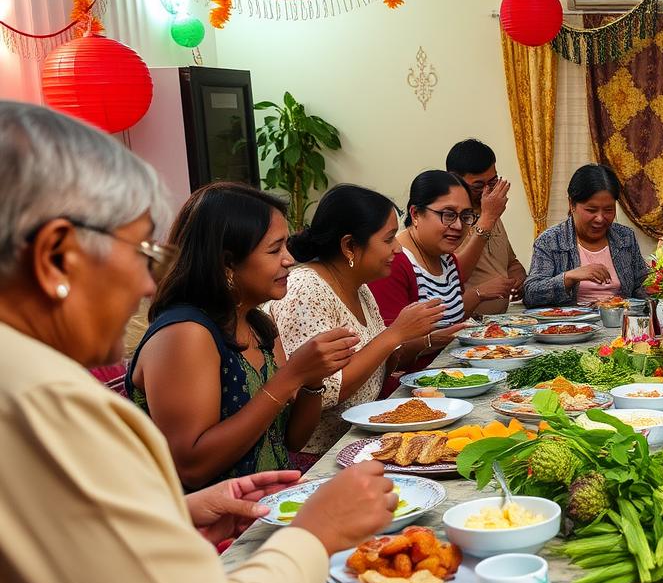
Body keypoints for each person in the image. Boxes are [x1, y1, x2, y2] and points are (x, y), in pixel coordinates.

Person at [0, 100, 397, 583]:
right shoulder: (42, 400)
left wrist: (176, 511)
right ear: (56, 256)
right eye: (138, 253)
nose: (144, 285)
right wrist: (316, 532)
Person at [129, 183, 360, 490]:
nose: (289, 259)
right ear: (227, 263)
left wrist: (313, 380)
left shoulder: (258, 323)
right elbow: (191, 467)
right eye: (274, 249)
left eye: (286, 246)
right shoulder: (185, 334)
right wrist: (292, 375)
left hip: (272, 506)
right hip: (216, 529)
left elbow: (292, 439)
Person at [272, 185, 446, 458]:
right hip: (321, 456)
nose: (398, 249)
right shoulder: (305, 288)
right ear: (349, 245)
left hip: (362, 441)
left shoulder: (359, 287)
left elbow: (377, 365)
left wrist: (414, 337)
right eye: (389, 239)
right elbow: (324, 392)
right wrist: (395, 334)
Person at [370, 170, 506, 353]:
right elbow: (387, 351)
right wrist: (430, 341)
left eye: (466, 216)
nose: (458, 226)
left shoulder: (447, 259)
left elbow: (452, 319)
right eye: (448, 215)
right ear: (416, 214)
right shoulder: (394, 262)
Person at [522, 164, 649, 307]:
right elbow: (531, 294)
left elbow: (642, 285)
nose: (600, 218)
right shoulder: (551, 240)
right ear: (572, 204)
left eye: (608, 209)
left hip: (618, 323)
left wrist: (659, 285)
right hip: (569, 326)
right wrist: (569, 277)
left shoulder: (625, 237)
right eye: (591, 210)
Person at [445, 139, 526, 315]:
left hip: (497, 324)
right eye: (478, 186)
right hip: (463, 323)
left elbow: (511, 263)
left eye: (493, 182)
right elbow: (456, 273)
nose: (487, 191)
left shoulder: (490, 212)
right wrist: (488, 218)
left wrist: (519, 277)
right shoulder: (449, 219)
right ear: (454, 179)